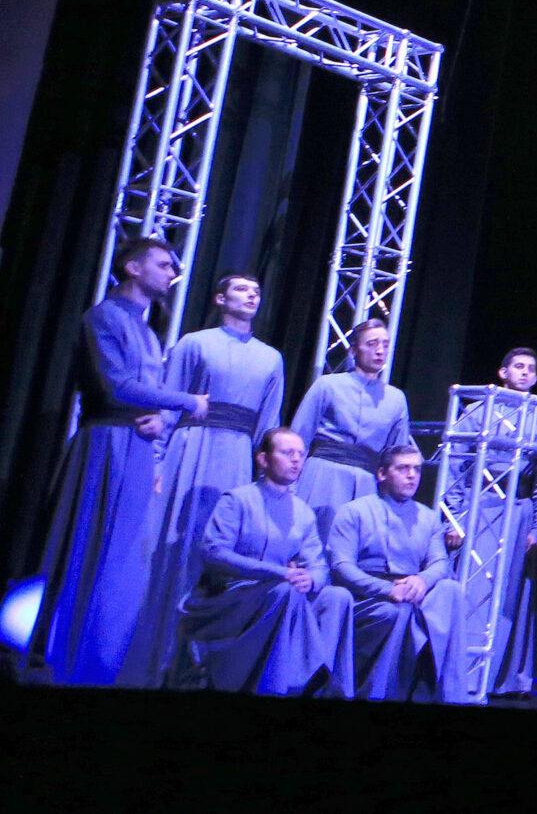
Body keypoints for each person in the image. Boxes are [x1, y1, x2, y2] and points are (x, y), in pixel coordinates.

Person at [26, 235, 203, 685]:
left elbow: (146, 395)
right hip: (104, 447)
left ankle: (101, 661)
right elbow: (116, 386)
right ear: (133, 268)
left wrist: (160, 421)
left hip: (136, 449)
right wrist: (185, 401)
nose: (171, 273)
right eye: (163, 264)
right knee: (90, 549)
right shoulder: (104, 317)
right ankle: (62, 659)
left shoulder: (147, 331)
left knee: (125, 561)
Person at [121, 273, 287, 688]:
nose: (251, 296)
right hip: (191, 452)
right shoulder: (194, 343)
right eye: (242, 290)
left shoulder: (271, 358)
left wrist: (267, 482)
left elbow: (268, 427)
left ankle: (197, 665)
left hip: (236, 459)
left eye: (257, 292)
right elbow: (168, 405)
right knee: (171, 548)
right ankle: (150, 659)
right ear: (220, 299)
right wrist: (157, 463)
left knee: (219, 554)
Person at [169, 429, 354, 695]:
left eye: (300, 454)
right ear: (263, 459)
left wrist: (310, 578)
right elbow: (214, 553)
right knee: (285, 591)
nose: (296, 460)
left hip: (277, 595)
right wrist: (279, 573)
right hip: (229, 596)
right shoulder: (237, 500)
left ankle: (327, 690)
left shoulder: (303, 512)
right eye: (287, 453)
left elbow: (319, 567)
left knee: (338, 597)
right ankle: (274, 687)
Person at [445, 348, 537, 698]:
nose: (525, 373)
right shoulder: (478, 411)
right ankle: (462, 674)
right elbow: (456, 466)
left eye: (531, 369)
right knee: (473, 589)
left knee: (509, 595)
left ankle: (502, 677)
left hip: (518, 509)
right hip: (479, 506)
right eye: (518, 366)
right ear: (503, 372)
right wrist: (454, 517)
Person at [327, 444, 461, 702]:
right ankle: (380, 694)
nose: (412, 476)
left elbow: (439, 563)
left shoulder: (428, 517)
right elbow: (341, 567)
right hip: (366, 596)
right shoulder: (354, 511)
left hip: (412, 590)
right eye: (403, 469)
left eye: (417, 470)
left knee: (451, 590)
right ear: (382, 474)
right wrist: (388, 590)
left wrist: (422, 580)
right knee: (397, 611)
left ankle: (448, 695)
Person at [288, 317, 414, 542]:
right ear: (354, 350)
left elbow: (397, 455)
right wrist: (287, 485)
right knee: (310, 543)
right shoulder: (328, 385)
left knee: (350, 547)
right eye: (372, 343)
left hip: (366, 483)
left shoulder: (396, 399)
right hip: (323, 475)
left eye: (385, 344)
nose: (380, 350)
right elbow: (299, 437)